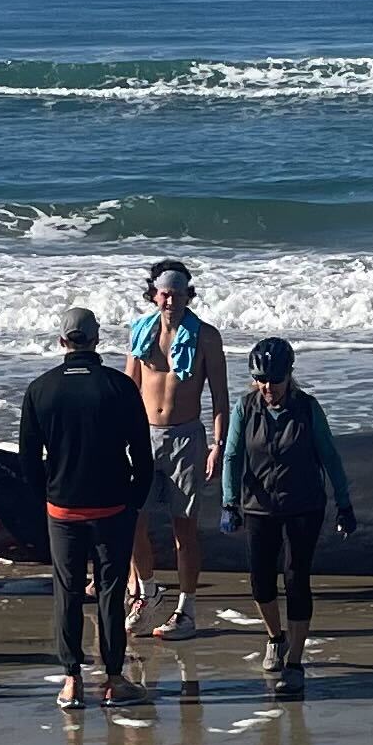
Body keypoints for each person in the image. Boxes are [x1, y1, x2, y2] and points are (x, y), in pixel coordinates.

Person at [19, 308, 154, 711]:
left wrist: (47, 494)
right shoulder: (119, 386)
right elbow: (142, 454)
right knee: (112, 591)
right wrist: (136, 498)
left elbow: (28, 459)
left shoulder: (40, 389)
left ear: (62, 342)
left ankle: (71, 680)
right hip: (113, 505)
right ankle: (113, 679)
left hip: (63, 508)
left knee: (68, 591)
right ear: (97, 340)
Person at [220, 336, 357, 695]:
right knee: (261, 581)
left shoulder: (308, 408)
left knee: (296, 579)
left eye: (275, 380)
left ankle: (294, 662)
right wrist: (228, 502)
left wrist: (344, 505)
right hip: (258, 506)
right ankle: (275, 638)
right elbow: (233, 456)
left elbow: (330, 457)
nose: (268, 387)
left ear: (289, 376)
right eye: (261, 380)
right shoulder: (245, 408)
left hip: (304, 505)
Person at [126, 261, 232, 637]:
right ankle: (149, 592)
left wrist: (218, 446)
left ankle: (186, 611)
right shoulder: (141, 331)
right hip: (142, 437)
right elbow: (128, 389)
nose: (170, 300)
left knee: (183, 529)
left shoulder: (206, 336)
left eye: (178, 292)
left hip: (186, 438)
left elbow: (220, 396)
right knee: (132, 520)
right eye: (164, 293)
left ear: (189, 294)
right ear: (154, 294)